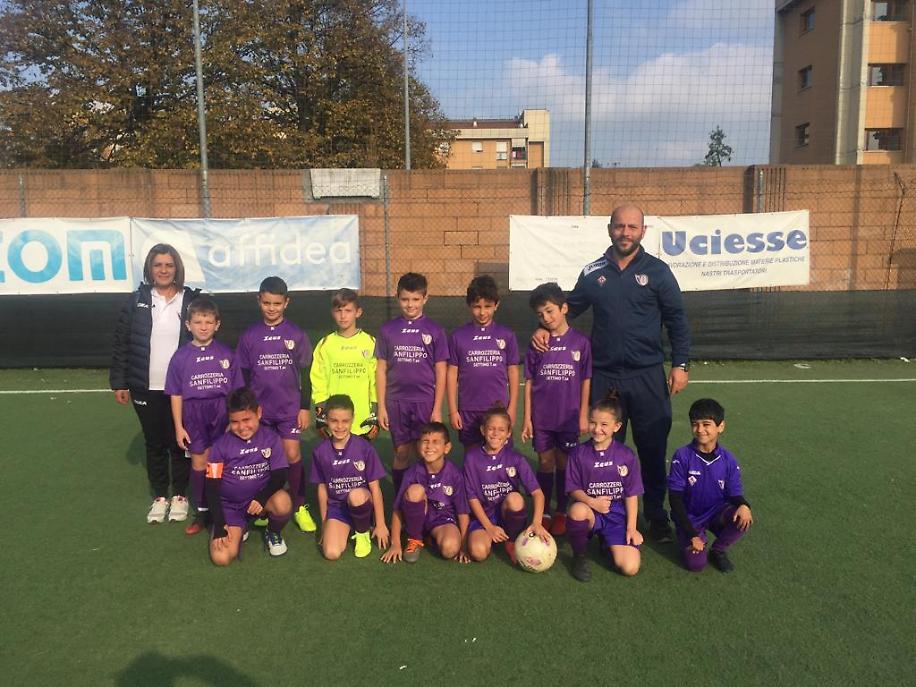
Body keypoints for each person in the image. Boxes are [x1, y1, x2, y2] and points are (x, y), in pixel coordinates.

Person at [532, 204, 690, 542]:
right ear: (609, 229)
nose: (625, 233)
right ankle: (605, 518)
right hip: (605, 376)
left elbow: (677, 318)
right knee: (602, 451)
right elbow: (568, 308)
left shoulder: (659, 271)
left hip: (647, 375)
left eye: (632, 227)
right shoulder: (593, 272)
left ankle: (655, 516)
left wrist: (681, 364)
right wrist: (543, 327)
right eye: (620, 226)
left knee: (651, 447)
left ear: (643, 231)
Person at [110, 243, 200, 524]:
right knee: (155, 442)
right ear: (150, 268)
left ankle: (181, 495)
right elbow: (122, 342)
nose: (163, 270)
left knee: (180, 441)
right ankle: (160, 495)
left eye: (169, 265)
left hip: (181, 389)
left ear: (177, 268)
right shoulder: (136, 300)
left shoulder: (190, 300)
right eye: (158, 265)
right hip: (144, 385)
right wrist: (119, 382)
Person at [235, 277, 315, 533]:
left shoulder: (296, 334)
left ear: (286, 303)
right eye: (267, 303)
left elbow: (306, 373)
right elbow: (243, 376)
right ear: (259, 300)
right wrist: (247, 410)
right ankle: (266, 505)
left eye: (277, 303)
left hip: (289, 408)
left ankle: (299, 505)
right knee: (263, 457)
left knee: (292, 454)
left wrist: (304, 407)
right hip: (260, 411)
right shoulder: (249, 336)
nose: (272, 308)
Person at [164, 296, 241, 535]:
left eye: (208, 322)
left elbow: (236, 392)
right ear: (188, 325)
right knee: (199, 462)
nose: (204, 327)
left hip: (221, 411)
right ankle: (202, 511)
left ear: (217, 324)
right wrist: (179, 427)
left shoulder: (227, 354)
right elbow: (175, 394)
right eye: (198, 322)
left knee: (221, 461)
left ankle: (225, 508)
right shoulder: (180, 357)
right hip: (193, 413)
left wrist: (233, 420)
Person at [522, 282, 591, 536]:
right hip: (542, 417)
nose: (547, 318)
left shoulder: (581, 342)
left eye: (550, 311)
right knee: (545, 461)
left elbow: (585, 380)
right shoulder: (538, 343)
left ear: (564, 308)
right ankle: (545, 513)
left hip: (568, 416)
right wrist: (527, 418)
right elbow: (529, 381)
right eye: (540, 315)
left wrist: (583, 414)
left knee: (564, 461)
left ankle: (561, 510)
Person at [375, 272, 449, 494]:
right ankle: (401, 498)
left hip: (424, 401)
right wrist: (381, 407)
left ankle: (428, 498)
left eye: (416, 299)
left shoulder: (435, 330)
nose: (410, 305)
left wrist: (437, 409)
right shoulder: (387, 330)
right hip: (396, 402)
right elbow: (381, 369)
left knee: (425, 452)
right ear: (398, 298)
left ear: (425, 298)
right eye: (405, 299)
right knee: (401, 452)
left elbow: (441, 371)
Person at [205, 387, 292, 565]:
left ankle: (272, 531)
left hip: (259, 503)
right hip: (230, 507)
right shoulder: (220, 446)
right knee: (221, 558)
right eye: (235, 422)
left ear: (258, 413)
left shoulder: (271, 439)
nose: (242, 427)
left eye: (247, 420)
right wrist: (220, 523)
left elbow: (280, 474)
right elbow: (212, 486)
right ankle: (239, 527)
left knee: (283, 502)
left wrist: (262, 498)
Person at [565, 392, 644, 582]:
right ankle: (579, 556)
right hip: (591, 509)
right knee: (577, 511)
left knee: (630, 568)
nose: (597, 429)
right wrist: (592, 502)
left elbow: (631, 494)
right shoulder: (578, 453)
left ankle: (608, 544)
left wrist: (632, 528)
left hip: (617, 516)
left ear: (617, 426)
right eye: (593, 423)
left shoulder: (626, 455)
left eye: (604, 424)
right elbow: (573, 488)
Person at [668, 398, 753, 573]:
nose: (700, 430)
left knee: (743, 517)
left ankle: (718, 550)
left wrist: (744, 505)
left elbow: (734, 493)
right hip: (690, 517)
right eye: (695, 424)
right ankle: (691, 536)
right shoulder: (682, 456)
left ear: (720, 427)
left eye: (706, 424)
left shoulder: (728, 459)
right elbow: (674, 499)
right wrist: (692, 534)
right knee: (696, 565)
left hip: (716, 513)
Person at [463, 405, 548, 564]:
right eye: (491, 429)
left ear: (508, 433)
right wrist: (489, 527)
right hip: (484, 516)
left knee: (515, 498)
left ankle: (512, 540)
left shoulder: (515, 458)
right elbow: (472, 497)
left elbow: (538, 493)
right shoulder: (471, 458)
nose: (496, 434)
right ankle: (492, 535)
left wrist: (537, 522)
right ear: (482, 430)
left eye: (501, 430)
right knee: (478, 552)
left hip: (506, 512)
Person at [310, 394, 389, 560]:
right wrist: (325, 524)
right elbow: (322, 488)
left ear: (352, 419)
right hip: (338, 508)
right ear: (326, 419)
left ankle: (362, 532)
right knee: (331, 553)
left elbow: (375, 488)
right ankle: (347, 526)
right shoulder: (320, 451)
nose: (339, 426)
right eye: (334, 421)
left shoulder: (364, 448)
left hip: (361, 502)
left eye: (345, 421)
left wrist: (381, 524)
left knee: (356, 495)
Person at [381, 422, 470, 564]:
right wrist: (395, 543)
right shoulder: (412, 473)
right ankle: (415, 538)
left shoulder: (454, 474)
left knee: (450, 549)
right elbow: (397, 509)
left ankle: (430, 537)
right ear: (418, 445)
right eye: (425, 441)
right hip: (417, 518)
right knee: (415, 491)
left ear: (447, 448)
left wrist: (464, 546)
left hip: (442, 520)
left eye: (436, 442)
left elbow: (462, 511)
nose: (429, 446)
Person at [447, 275, 519, 449]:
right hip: (469, 408)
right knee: (471, 454)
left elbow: (513, 371)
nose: (482, 312)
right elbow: (452, 373)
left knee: (500, 454)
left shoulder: (506, 335)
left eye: (487, 306)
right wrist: (453, 409)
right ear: (469, 305)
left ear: (496, 305)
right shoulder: (458, 336)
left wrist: (512, 407)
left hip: (498, 409)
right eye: (477, 306)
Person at [310, 288, 378, 440]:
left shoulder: (370, 343)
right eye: (338, 311)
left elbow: (375, 380)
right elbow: (319, 381)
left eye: (348, 310)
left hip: (362, 418)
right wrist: (321, 412)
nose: (343, 316)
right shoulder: (325, 344)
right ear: (332, 312)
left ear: (358, 312)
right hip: (334, 419)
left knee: (360, 455)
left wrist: (375, 411)